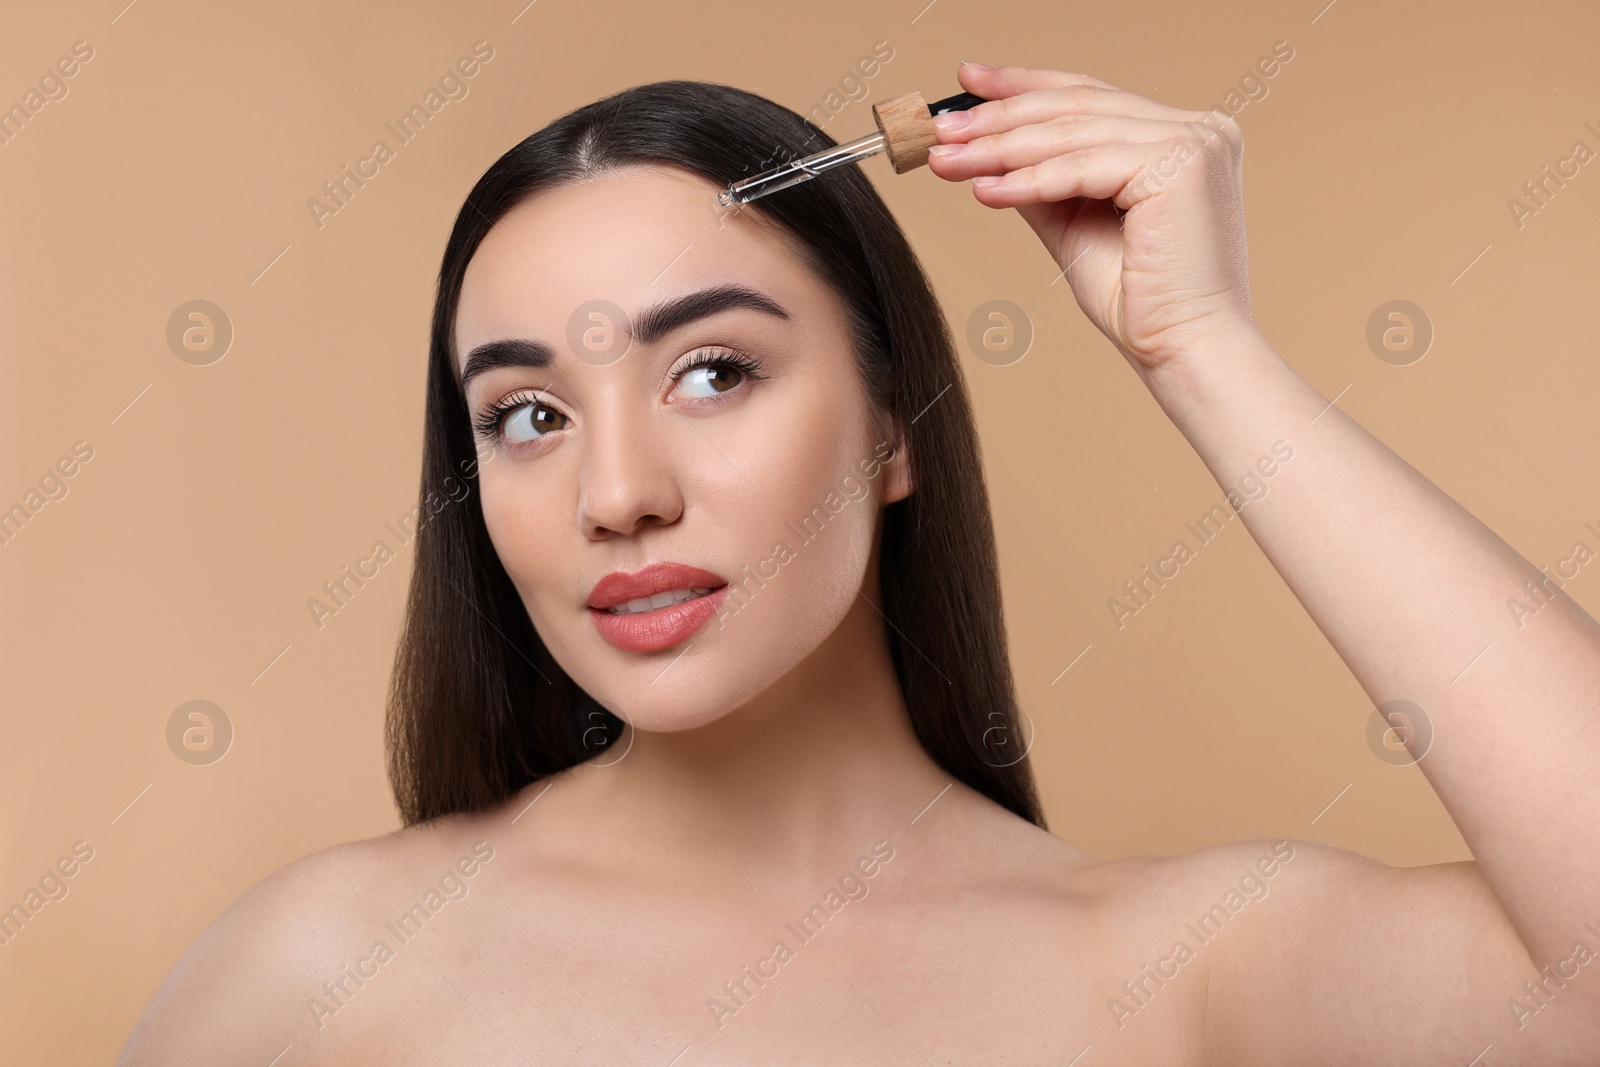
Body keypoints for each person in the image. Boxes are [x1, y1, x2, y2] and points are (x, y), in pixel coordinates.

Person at [124, 62, 1600, 1064]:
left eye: (712, 373)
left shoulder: (1158, 978)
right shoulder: (322, 970)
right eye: (524, 415)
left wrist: (1203, 353)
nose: (617, 494)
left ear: (895, 428)